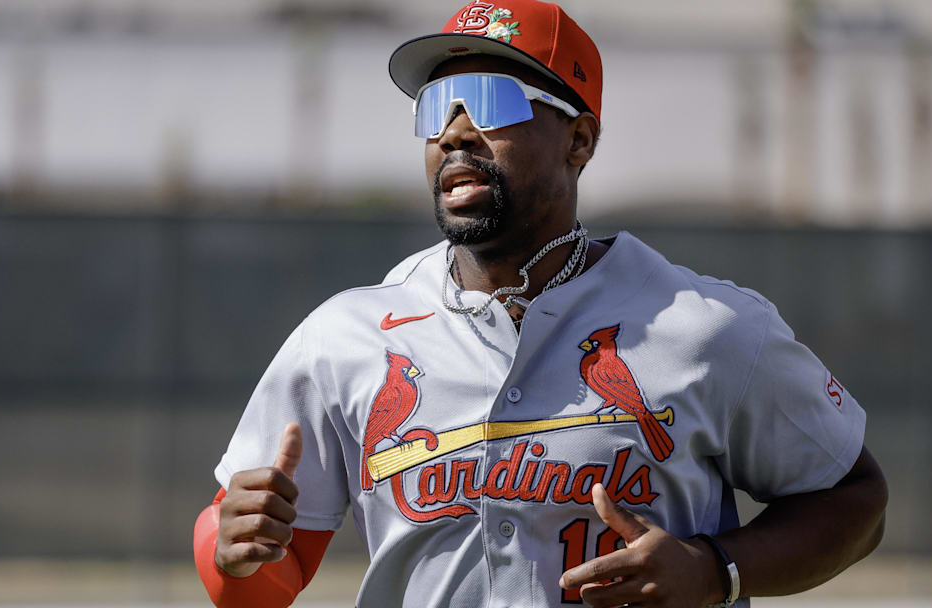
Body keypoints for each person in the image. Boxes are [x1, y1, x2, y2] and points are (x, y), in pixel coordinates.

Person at [192, 1, 888, 606]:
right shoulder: (345, 338)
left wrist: (714, 570)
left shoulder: (705, 327)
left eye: (490, 103)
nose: (455, 133)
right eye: (436, 108)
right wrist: (233, 556)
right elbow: (256, 585)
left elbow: (855, 500)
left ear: (578, 140)